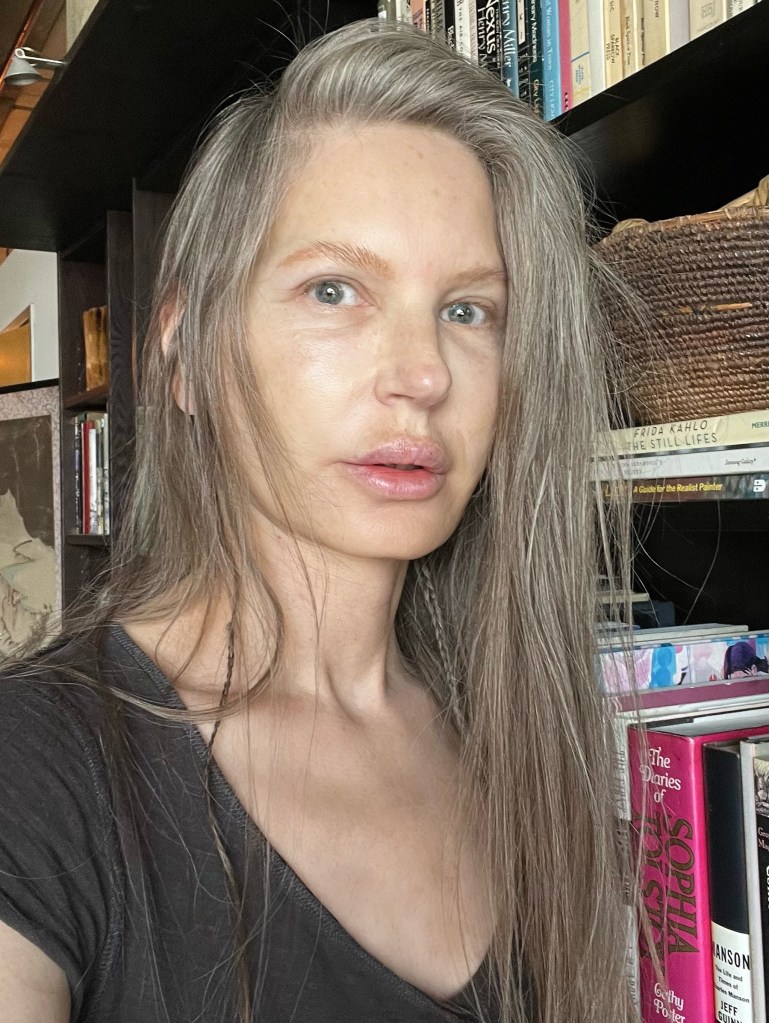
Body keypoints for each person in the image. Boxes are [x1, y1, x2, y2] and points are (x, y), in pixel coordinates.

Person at [0, 18, 638, 1023]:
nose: (421, 376)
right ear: (186, 355)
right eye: (334, 290)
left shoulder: (522, 733)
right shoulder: (35, 768)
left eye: (468, 310)